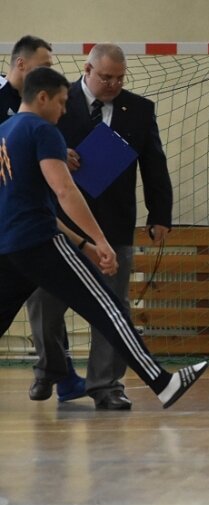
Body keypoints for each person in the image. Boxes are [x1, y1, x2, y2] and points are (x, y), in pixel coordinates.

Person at [0, 66, 207, 409]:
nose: (65, 110)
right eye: (62, 102)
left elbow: (27, 202)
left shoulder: (5, 131)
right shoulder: (43, 130)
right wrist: (100, 240)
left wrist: (82, 244)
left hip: (8, 245)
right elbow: (65, 191)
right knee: (108, 308)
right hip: (39, 242)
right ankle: (163, 382)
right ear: (42, 97)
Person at [26, 43, 174, 410]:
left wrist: (160, 215)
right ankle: (51, 367)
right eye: (106, 77)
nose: (113, 84)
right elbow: (28, 145)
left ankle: (106, 385)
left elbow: (154, 163)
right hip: (57, 223)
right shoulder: (57, 99)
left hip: (113, 223)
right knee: (44, 302)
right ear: (87, 69)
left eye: (120, 78)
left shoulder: (139, 110)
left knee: (113, 306)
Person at [1, 35, 86, 402]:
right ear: (22, 65)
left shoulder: (43, 108)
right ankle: (58, 374)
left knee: (49, 293)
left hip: (35, 222)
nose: (51, 71)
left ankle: (60, 375)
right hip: (9, 225)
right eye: (45, 65)